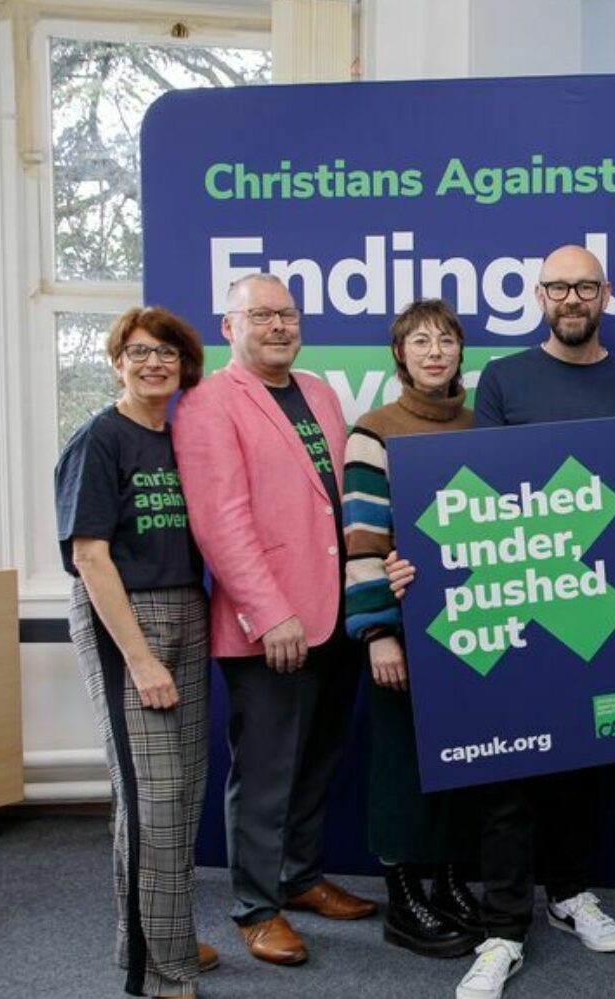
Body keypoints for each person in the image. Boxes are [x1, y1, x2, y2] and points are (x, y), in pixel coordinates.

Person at [456, 243, 615, 999]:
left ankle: (570, 892)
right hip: (516, 593)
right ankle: (503, 929)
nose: (571, 298)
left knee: (581, 758)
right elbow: (482, 492)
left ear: (606, 293)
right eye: (558, 287)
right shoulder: (505, 378)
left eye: (584, 286)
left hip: (596, 601)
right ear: (538, 294)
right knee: (510, 772)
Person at [173, 274, 376, 968]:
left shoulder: (318, 392)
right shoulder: (206, 405)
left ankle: (299, 876)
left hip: (334, 612)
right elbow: (220, 523)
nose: (279, 325)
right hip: (271, 623)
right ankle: (257, 908)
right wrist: (270, 612)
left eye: (288, 313)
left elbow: (332, 501)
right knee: (264, 772)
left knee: (318, 757)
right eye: (260, 315)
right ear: (229, 327)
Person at [54, 306, 217, 998]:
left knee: (188, 790)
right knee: (155, 794)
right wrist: (142, 659)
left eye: (169, 355)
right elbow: (90, 555)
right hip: (125, 618)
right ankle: (158, 965)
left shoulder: (181, 437)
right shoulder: (99, 438)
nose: (155, 364)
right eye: (141, 352)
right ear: (117, 360)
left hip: (187, 605)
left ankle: (160, 931)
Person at [341, 300, 483, 959]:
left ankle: (450, 879)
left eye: (446, 339)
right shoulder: (374, 430)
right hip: (406, 626)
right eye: (420, 340)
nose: (434, 350)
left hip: (475, 623)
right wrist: (379, 633)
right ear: (400, 354)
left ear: (460, 351)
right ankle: (402, 896)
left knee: (464, 759)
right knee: (401, 762)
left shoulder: (482, 424)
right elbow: (363, 539)